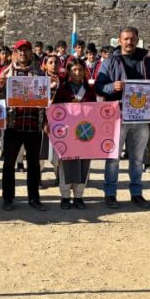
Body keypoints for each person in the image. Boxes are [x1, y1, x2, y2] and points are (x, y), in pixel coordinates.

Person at [95, 26, 150, 209]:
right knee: (113, 157)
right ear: (119, 40)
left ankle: (137, 193)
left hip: (141, 117)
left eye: (132, 39)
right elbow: (99, 86)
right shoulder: (110, 61)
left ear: (137, 39)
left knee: (138, 158)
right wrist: (112, 87)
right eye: (125, 39)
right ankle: (110, 193)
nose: (129, 42)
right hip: (118, 116)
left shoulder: (147, 61)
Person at [0, 39, 47, 211]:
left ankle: (34, 198)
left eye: (26, 50)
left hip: (33, 124)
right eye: (19, 50)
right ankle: (8, 198)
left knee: (33, 164)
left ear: (31, 53)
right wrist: (0, 86)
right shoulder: (6, 73)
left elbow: (45, 100)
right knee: (8, 163)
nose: (23, 53)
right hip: (13, 124)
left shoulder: (40, 73)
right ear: (14, 53)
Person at [52, 58, 97, 209]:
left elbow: (95, 111)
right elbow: (55, 110)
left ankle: (79, 196)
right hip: (67, 134)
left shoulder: (90, 91)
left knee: (83, 165)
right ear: (69, 72)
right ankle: (65, 196)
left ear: (84, 72)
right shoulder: (63, 90)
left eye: (80, 70)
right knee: (66, 164)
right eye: (74, 70)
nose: (77, 73)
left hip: (84, 133)